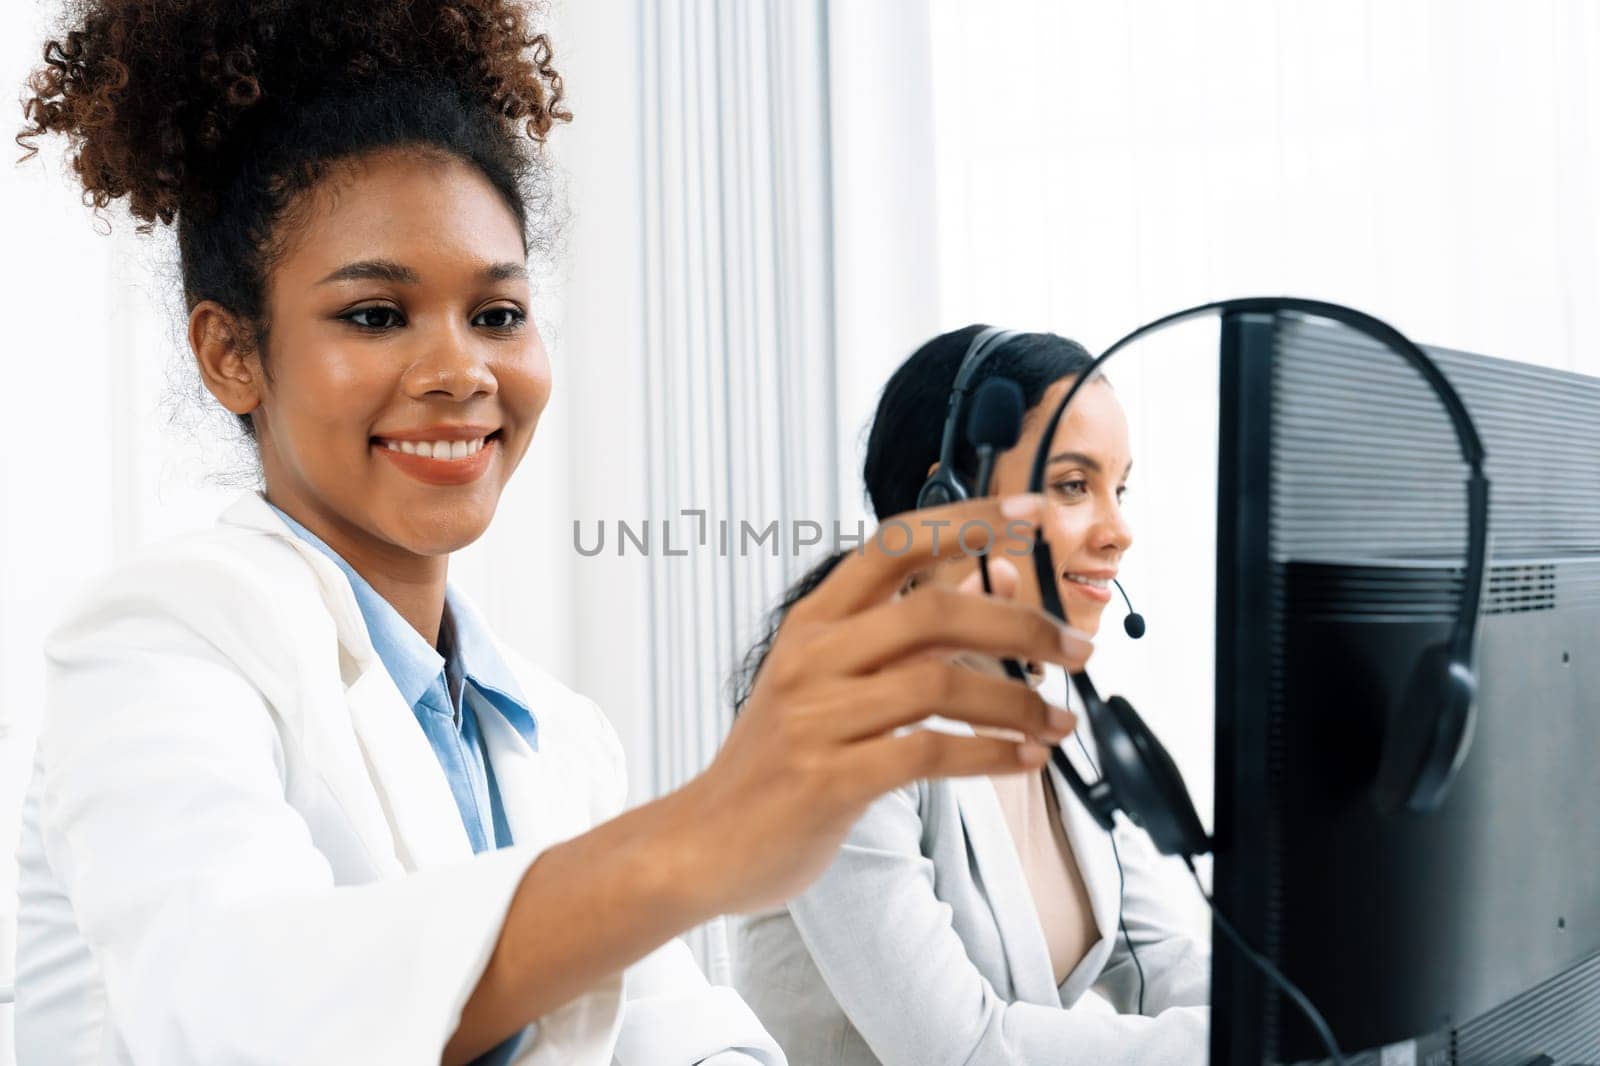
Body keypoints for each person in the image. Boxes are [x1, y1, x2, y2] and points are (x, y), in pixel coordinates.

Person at [10, 7, 1094, 1066]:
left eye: (496, 313)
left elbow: (688, 1034)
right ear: (231, 353)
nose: (462, 370)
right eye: (375, 314)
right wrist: (697, 840)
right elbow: (235, 1013)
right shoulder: (153, 645)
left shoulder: (559, 736)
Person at [731, 326, 1210, 1065]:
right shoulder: (842, 723)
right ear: (947, 500)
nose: (1119, 532)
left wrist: (1304, 1018)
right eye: (1074, 485)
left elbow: (1158, 961)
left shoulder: (1052, 701)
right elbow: (960, 1049)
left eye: (1120, 489)